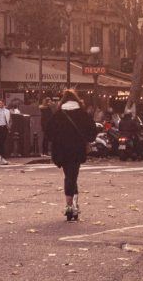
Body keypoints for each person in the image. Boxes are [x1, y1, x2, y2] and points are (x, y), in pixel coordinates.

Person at [45, 89, 96, 221]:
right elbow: (92, 132)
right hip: (77, 149)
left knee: (70, 176)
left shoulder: (58, 115)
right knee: (72, 177)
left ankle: (71, 206)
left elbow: (48, 132)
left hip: (61, 150)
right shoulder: (82, 114)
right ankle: (71, 206)